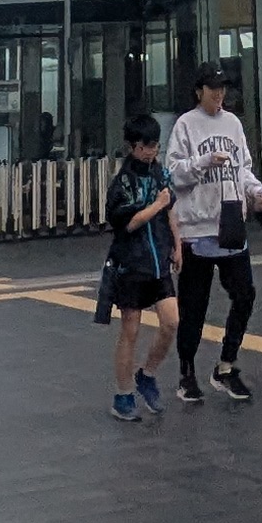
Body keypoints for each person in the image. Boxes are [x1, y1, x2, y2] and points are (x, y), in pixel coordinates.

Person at [165, 65, 262, 402]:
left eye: (222, 88)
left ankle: (226, 364)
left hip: (230, 223)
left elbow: (243, 169)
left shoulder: (233, 123)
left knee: (245, 294)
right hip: (196, 228)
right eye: (212, 88)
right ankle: (187, 373)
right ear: (199, 91)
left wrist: (256, 192)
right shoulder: (186, 124)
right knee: (194, 306)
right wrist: (204, 161)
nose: (219, 94)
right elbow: (174, 174)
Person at [99, 112, 177, 419]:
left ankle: (147, 373)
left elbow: (171, 209)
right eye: (145, 146)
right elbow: (127, 224)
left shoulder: (160, 173)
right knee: (130, 329)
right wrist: (156, 205)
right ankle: (123, 394)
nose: (150, 152)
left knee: (171, 322)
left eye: (155, 145)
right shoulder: (123, 183)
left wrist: (177, 243)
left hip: (159, 260)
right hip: (131, 263)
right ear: (132, 147)